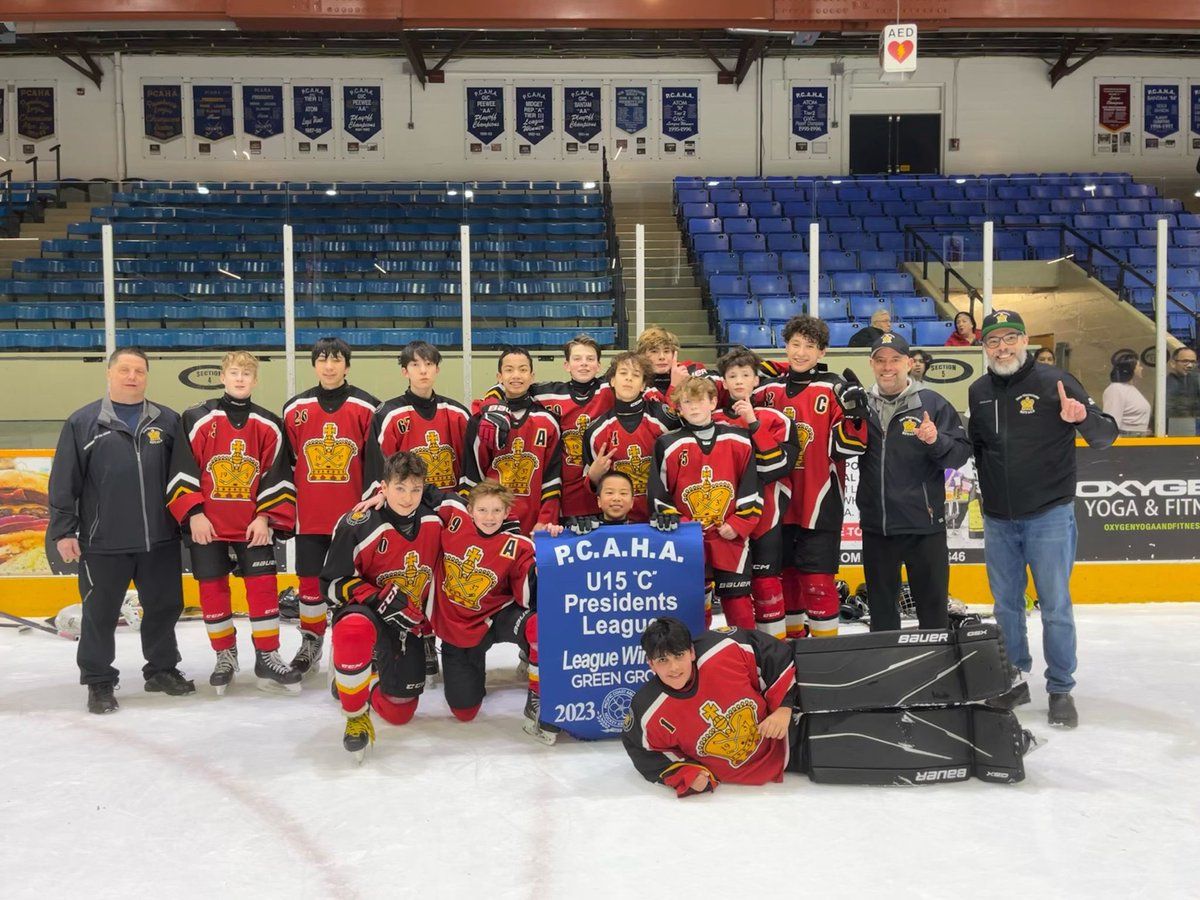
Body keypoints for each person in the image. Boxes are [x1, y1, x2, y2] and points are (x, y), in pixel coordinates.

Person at [623, 617, 1037, 796]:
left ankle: (990, 672)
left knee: (871, 680)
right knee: (879, 739)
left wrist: (783, 707)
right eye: (661, 661)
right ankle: (991, 740)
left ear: (691, 651)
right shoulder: (647, 709)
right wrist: (687, 775)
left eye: (678, 656)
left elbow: (775, 654)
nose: (673, 668)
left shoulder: (723, 647)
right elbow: (645, 751)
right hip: (793, 755)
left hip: (793, 712)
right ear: (649, 664)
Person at [968, 310, 1117, 728]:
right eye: (993, 341)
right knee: (1006, 606)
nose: (1002, 348)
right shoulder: (979, 390)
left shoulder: (1056, 382)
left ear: (1025, 340)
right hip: (999, 518)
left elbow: (1105, 436)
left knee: (1055, 606)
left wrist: (1082, 417)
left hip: (1049, 514)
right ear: (985, 348)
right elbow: (977, 448)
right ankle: (1013, 678)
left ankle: (1061, 689)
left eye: (1009, 339)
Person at [48, 347, 194, 714]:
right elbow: (64, 480)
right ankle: (99, 680)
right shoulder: (83, 422)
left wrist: (187, 523)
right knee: (99, 614)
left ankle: (161, 670)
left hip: (160, 539)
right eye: (125, 370)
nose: (132, 377)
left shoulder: (168, 421)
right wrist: (64, 531)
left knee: (164, 608)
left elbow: (182, 479)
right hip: (103, 542)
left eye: (139, 371)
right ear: (109, 374)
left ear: (147, 377)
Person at [166, 351, 300, 695]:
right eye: (234, 373)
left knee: (263, 587)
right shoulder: (196, 417)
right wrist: (194, 513)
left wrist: (264, 516)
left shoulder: (269, 423)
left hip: (252, 526)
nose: (240, 379)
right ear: (222, 377)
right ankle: (224, 655)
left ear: (255, 380)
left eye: (246, 374)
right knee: (212, 589)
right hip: (207, 526)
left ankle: (267, 655)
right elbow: (182, 466)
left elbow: (277, 474)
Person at [320, 452, 457, 760]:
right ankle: (355, 714)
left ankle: (368, 681)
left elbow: (476, 510)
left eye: (415, 489)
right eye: (399, 488)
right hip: (366, 611)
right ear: (383, 487)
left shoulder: (436, 520)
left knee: (400, 711)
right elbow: (331, 584)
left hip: (407, 623)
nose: (407, 498)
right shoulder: (357, 523)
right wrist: (379, 597)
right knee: (353, 630)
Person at [752, 315, 868, 639]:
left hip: (819, 501)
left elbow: (850, 447)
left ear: (823, 351)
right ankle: (791, 648)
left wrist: (856, 415)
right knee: (784, 578)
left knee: (817, 582)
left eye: (810, 346)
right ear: (785, 346)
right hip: (776, 504)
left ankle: (823, 655)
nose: (801, 352)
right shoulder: (767, 390)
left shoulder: (833, 388)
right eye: (795, 344)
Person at [857, 334, 971, 631]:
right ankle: (886, 661)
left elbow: (959, 454)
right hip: (877, 527)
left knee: (933, 615)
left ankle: (935, 660)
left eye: (895, 360)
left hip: (924, 526)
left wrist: (936, 440)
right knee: (882, 617)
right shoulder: (861, 406)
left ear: (909, 363)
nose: (887, 367)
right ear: (871, 364)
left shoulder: (932, 403)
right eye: (880, 360)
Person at [282, 337, 380, 676]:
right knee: (310, 586)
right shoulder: (294, 409)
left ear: (347, 366)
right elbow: (288, 465)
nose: (329, 366)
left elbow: (375, 465)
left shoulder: (368, 407)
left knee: (352, 584)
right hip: (309, 518)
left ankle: (352, 647)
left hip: (354, 520)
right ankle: (311, 642)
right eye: (322, 359)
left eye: (336, 359)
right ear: (314, 365)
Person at [432, 480, 547, 739]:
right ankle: (472, 670)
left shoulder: (517, 545)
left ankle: (539, 694)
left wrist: (547, 554)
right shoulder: (454, 521)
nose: (489, 517)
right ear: (470, 510)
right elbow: (423, 493)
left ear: (507, 513)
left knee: (538, 625)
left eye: (496, 511)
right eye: (483, 510)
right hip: (458, 626)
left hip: (498, 616)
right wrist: (380, 494)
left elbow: (528, 596)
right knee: (464, 710)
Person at [649, 376, 761, 629]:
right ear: (679, 407)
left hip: (729, 536)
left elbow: (752, 486)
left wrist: (740, 523)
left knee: (739, 603)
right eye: (687, 402)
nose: (694, 407)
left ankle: (746, 650)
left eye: (699, 400)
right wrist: (684, 526)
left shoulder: (740, 439)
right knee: (695, 603)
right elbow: (657, 495)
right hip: (690, 538)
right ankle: (699, 650)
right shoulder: (667, 444)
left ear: (713, 402)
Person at [713, 347, 800, 638]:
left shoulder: (776, 418)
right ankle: (744, 650)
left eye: (745, 375)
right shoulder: (711, 419)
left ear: (756, 380)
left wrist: (753, 422)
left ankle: (775, 650)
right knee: (734, 590)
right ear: (724, 382)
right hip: (726, 520)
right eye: (732, 375)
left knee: (766, 584)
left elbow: (776, 466)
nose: (739, 380)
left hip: (767, 515)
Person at [483, 335, 613, 521]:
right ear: (566, 365)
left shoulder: (610, 389)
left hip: (602, 491)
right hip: (566, 495)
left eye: (590, 359)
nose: (584, 363)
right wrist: (492, 406)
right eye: (577, 358)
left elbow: (635, 380)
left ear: (599, 365)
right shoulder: (548, 393)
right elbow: (509, 387)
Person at [461, 347, 563, 535]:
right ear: (499, 377)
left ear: (532, 376)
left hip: (534, 526)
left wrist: (546, 519)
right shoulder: (481, 422)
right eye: (509, 370)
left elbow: (552, 478)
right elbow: (472, 478)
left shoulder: (547, 421)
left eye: (523, 369)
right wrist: (475, 523)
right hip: (490, 523)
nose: (516, 375)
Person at [581, 351, 678, 524]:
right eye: (623, 373)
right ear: (612, 380)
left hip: (663, 520)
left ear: (643, 385)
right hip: (619, 523)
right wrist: (593, 477)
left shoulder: (665, 420)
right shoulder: (595, 431)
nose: (628, 378)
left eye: (636, 375)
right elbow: (594, 488)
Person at [365, 340, 471, 495]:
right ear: (405, 371)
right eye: (415, 364)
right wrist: (381, 494)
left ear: (437, 369)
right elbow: (377, 465)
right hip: (406, 503)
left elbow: (471, 466)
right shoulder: (388, 415)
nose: (423, 371)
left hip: (450, 502)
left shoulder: (458, 414)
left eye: (429, 364)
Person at [636, 325, 709, 403]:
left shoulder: (691, 369)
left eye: (666, 351)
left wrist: (690, 382)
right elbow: (664, 410)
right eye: (654, 351)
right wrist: (674, 386)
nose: (661, 357)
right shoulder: (637, 382)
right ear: (642, 355)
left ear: (674, 353)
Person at [1102, 353, 1152, 437]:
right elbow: (1112, 420)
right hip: (1126, 439)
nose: (1141, 368)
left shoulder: (1131, 389)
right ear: (1131, 369)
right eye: (1138, 366)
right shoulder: (1116, 389)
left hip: (1138, 438)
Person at [1165, 346, 1200, 436]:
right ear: (1173, 364)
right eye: (1185, 361)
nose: (1190, 365)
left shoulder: (1194, 380)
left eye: (1193, 362)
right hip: (1176, 431)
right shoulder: (1169, 383)